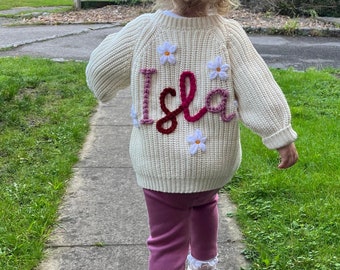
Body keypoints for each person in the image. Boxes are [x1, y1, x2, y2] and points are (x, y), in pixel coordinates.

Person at [86, 0, 299, 269]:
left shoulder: (143, 30)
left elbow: (99, 73)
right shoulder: (229, 34)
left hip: (160, 166)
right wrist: (280, 135)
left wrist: (112, 48)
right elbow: (259, 88)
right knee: (204, 203)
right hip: (212, 167)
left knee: (167, 241)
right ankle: (204, 262)